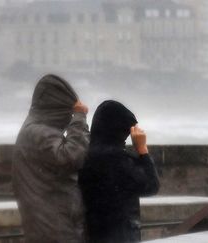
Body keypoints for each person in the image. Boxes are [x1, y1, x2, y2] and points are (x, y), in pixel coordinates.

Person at [12, 74, 90, 243]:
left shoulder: (32, 130)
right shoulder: (40, 133)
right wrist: (79, 120)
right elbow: (72, 157)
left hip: (46, 225)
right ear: (58, 109)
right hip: (56, 229)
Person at [79, 100, 160, 243]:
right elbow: (151, 185)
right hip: (120, 235)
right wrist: (142, 150)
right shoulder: (115, 159)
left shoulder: (87, 156)